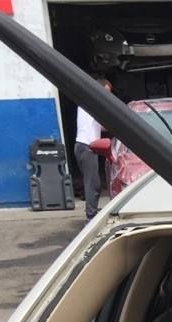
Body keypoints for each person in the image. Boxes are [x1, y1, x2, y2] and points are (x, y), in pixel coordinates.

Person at [75, 78, 112, 220]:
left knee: (92, 182)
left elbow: (101, 126)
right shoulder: (92, 103)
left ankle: (92, 212)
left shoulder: (87, 103)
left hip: (85, 147)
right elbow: (106, 121)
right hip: (86, 147)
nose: (107, 96)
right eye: (106, 92)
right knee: (93, 184)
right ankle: (91, 217)